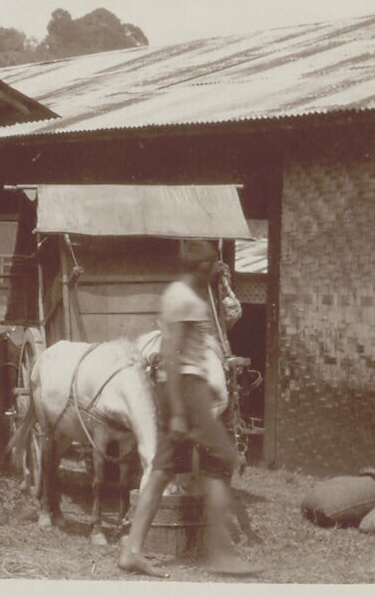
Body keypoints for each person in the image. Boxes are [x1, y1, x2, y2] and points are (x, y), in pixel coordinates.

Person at [117, 239, 263, 578]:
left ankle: (132, 551)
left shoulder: (184, 296)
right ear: (200, 266)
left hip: (185, 391)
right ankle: (221, 553)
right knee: (220, 461)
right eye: (212, 263)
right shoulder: (184, 299)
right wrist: (181, 413)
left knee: (162, 471)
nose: (216, 269)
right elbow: (171, 354)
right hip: (187, 391)